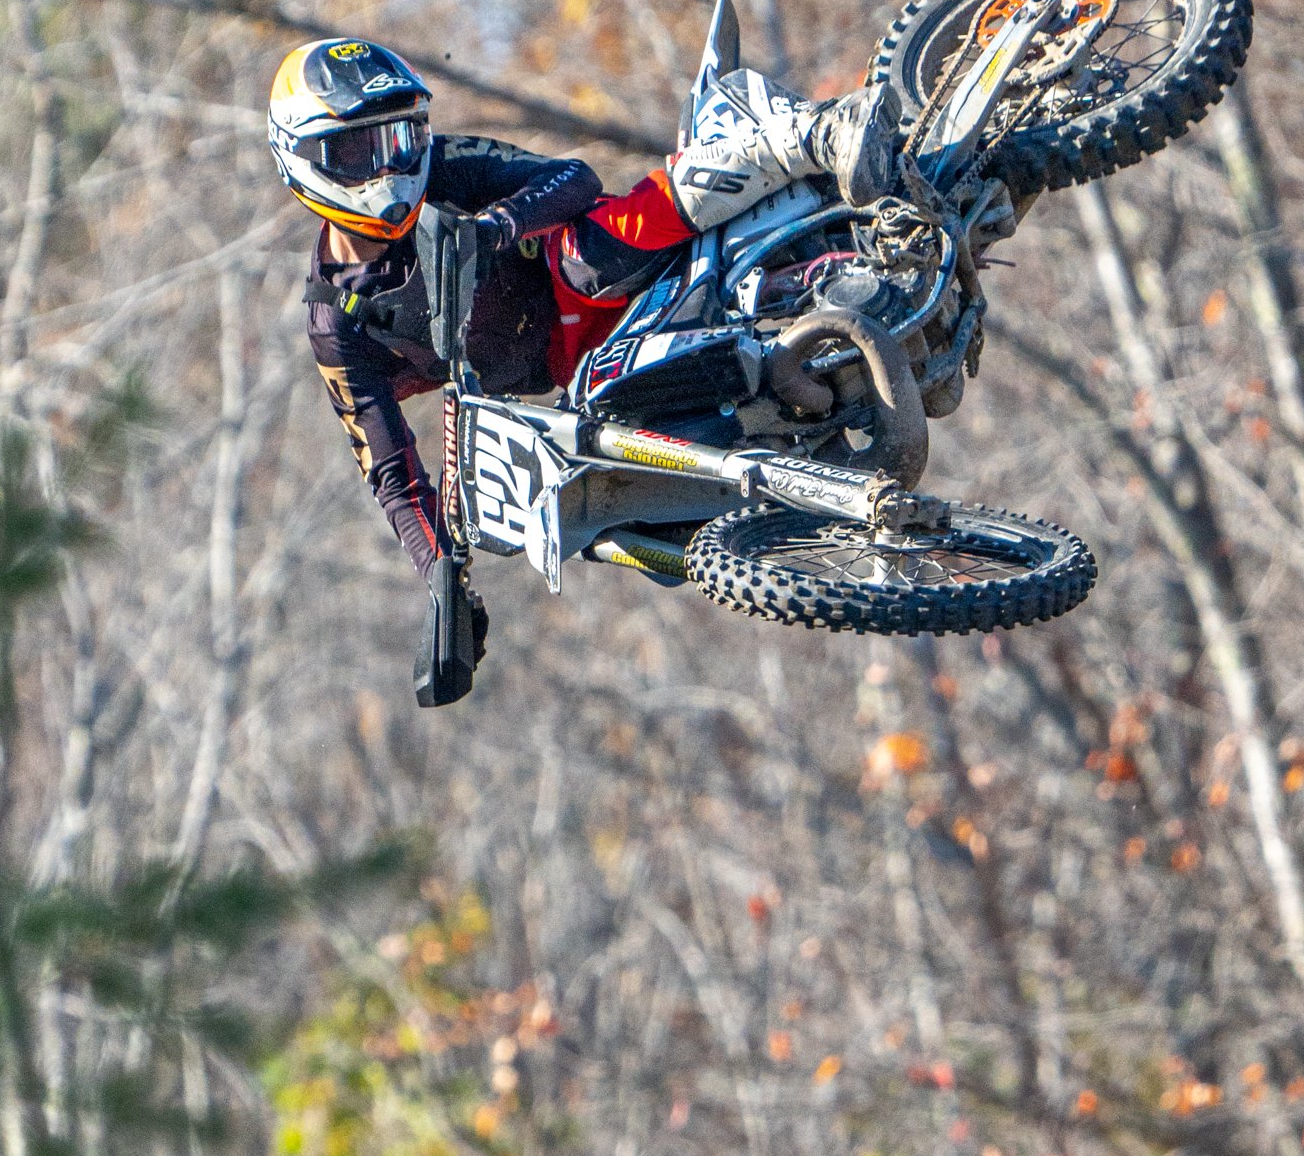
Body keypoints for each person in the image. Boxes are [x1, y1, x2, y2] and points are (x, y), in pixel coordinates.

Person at [266, 34, 906, 680]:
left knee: (588, 256)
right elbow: (392, 472)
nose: (390, 167)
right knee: (606, 500)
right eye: (357, 151)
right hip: (586, 368)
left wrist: (498, 227)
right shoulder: (336, 325)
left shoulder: (447, 167)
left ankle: (812, 134)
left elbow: (574, 178)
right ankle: (820, 500)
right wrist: (443, 581)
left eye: (400, 139)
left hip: (599, 268)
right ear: (302, 160)